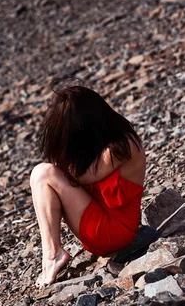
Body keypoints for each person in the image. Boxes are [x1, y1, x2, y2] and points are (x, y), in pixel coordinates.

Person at [30, 85, 146, 288]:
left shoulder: (120, 148)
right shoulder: (106, 143)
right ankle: (52, 253)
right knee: (42, 174)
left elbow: (77, 177)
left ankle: (52, 255)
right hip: (106, 228)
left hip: (115, 232)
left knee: (43, 173)